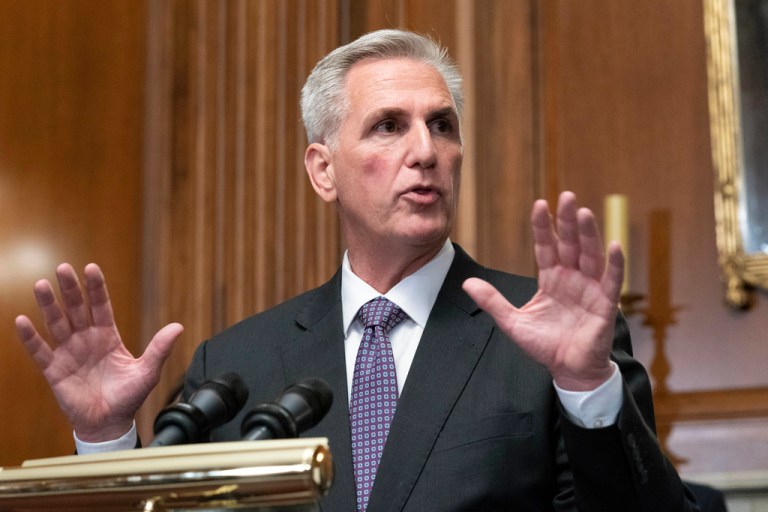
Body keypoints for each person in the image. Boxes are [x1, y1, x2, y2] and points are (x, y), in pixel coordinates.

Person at [15, 29, 699, 511]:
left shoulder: (548, 338)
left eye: (443, 125)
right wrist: (106, 441)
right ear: (322, 171)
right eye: (388, 126)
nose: (425, 151)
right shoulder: (237, 366)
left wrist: (585, 386)